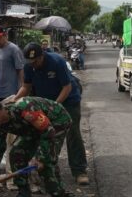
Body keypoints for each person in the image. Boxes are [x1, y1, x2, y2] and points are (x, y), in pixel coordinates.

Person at [16, 43, 89, 185]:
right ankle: (46, 170)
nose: (33, 64)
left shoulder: (56, 62)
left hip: (68, 100)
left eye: (36, 61)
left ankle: (80, 171)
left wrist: (54, 108)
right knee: (45, 134)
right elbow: (26, 86)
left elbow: (66, 87)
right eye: (30, 62)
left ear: (42, 56)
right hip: (45, 102)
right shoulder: (29, 66)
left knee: (72, 132)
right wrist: (15, 99)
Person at [0, 27, 25, 101]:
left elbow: (20, 70)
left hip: (11, 94)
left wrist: (22, 91)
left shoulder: (14, 49)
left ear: (5, 35)